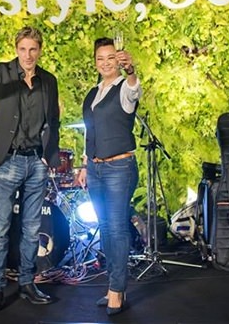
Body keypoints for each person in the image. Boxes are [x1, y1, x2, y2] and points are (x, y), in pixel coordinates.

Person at [0, 26, 61, 313]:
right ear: (16, 49)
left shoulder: (49, 80)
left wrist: (50, 155)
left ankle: (27, 283)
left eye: (33, 49)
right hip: (7, 161)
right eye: (23, 49)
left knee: (32, 229)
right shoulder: (1, 73)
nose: (28, 54)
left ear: (40, 50)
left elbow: (54, 122)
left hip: (36, 162)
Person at [76, 37, 142, 316]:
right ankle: (115, 287)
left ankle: (116, 291)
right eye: (101, 58)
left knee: (116, 229)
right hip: (96, 168)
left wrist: (131, 70)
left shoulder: (124, 89)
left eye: (111, 57)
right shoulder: (93, 92)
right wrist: (84, 164)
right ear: (95, 61)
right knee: (105, 228)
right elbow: (89, 131)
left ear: (118, 59)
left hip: (119, 168)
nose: (105, 63)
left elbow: (133, 88)